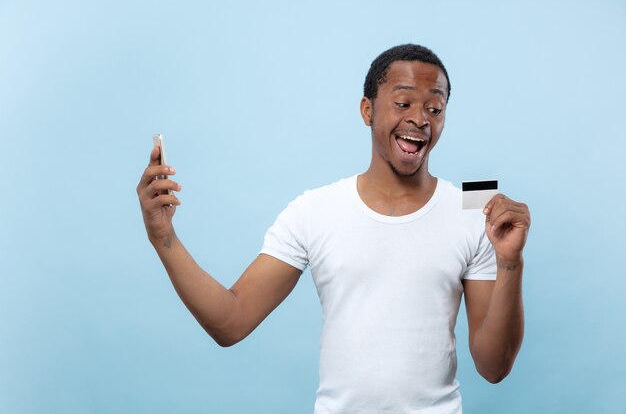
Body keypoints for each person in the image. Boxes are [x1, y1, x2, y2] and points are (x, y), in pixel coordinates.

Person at [137, 44, 530, 413]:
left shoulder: (472, 209)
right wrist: (163, 238)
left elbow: (494, 368)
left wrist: (511, 262)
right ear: (367, 110)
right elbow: (231, 321)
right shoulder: (315, 209)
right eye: (403, 102)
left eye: (435, 108)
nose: (420, 119)